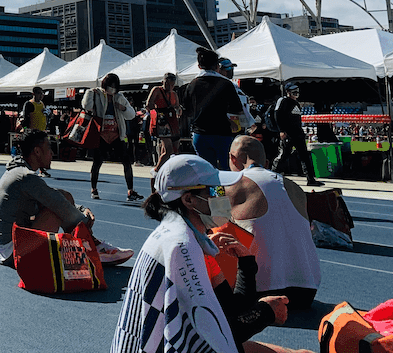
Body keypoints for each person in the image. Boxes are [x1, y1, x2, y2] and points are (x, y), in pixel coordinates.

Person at [112, 154, 307, 353]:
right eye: (216, 190)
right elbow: (214, 336)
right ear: (189, 199)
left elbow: (231, 309)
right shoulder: (182, 247)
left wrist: (246, 263)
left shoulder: (186, 238)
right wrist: (265, 312)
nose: (224, 196)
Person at [0, 129, 132, 267]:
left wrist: (81, 209)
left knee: (64, 196)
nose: (52, 153)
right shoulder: (25, 177)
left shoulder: (20, 172)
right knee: (55, 211)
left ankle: (89, 244)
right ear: (37, 152)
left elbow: (55, 197)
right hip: (11, 251)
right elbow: (58, 204)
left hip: (7, 246)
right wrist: (85, 222)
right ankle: (91, 246)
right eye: (49, 148)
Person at [228, 136, 320, 309]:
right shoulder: (296, 187)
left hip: (259, 292)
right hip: (306, 291)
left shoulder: (231, 184)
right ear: (267, 162)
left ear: (233, 159)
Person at [180, 47, 244, 170]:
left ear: (199, 66)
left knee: (207, 172)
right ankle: (224, 190)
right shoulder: (226, 84)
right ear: (217, 66)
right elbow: (237, 109)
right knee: (227, 170)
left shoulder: (191, 85)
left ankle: (212, 190)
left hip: (200, 134)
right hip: (222, 133)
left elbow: (187, 111)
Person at [82, 73, 142, 201]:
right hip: (101, 134)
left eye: (115, 86)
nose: (112, 89)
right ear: (105, 85)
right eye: (110, 86)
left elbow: (131, 115)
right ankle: (94, 189)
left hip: (116, 135)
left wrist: (123, 108)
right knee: (97, 162)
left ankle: (130, 190)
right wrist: (89, 93)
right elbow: (86, 106)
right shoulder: (97, 94)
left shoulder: (119, 97)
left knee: (126, 162)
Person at [270, 83, 323, 187]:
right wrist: (281, 130)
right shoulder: (283, 101)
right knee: (283, 155)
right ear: (288, 92)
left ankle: (310, 179)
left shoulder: (296, 103)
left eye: (297, 91)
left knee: (305, 156)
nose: (296, 93)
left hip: (298, 134)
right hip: (288, 134)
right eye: (294, 91)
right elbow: (277, 115)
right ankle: (272, 176)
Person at [145, 72, 183, 187]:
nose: (169, 86)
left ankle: (163, 170)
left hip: (172, 122)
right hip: (162, 121)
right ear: (163, 82)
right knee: (168, 149)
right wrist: (156, 114)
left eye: (171, 84)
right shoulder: (157, 90)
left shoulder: (174, 94)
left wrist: (178, 109)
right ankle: (156, 170)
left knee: (174, 149)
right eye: (167, 83)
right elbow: (149, 104)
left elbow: (177, 107)